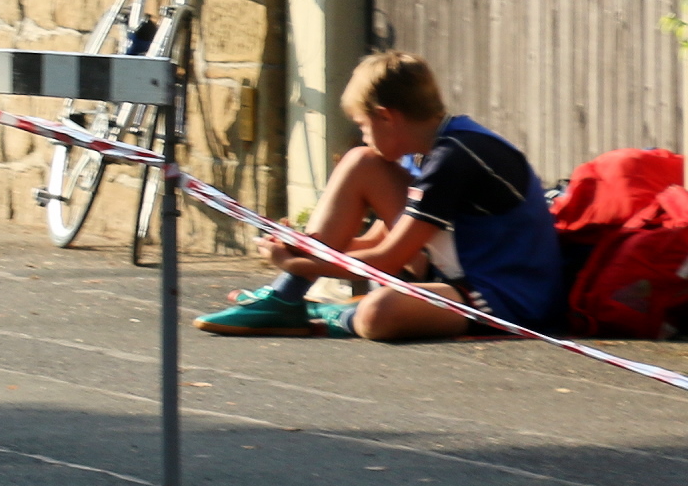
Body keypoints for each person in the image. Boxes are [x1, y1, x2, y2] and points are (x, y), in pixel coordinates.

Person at [197, 51, 562, 341]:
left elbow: (387, 259)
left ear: (386, 117)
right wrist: (298, 248)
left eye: (362, 124)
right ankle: (285, 298)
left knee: (378, 315)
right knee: (362, 162)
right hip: (456, 269)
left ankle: (320, 310)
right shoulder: (426, 148)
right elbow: (376, 241)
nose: (363, 136)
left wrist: (297, 264)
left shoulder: (453, 158)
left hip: (500, 298)